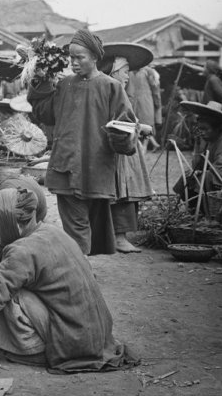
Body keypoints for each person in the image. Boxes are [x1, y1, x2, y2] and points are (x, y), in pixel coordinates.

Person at [0, 188, 137, 373]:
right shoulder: (50, 230)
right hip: (93, 333)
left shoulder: (21, 251)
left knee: (6, 294)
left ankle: (32, 350)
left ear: (10, 221)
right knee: (4, 286)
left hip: (74, 342)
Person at [28, 30, 133, 256]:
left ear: (95, 57)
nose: (74, 63)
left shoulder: (110, 86)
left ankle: (79, 263)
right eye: (71, 57)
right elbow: (44, 114)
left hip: (96, 167)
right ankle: (80, 266)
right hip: (65, 165)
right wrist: (39, 81)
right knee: (76, 224)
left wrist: (121, 137)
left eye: (80, 57)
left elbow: (127, 124)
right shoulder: (64, 85)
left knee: (93, 221)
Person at [100, 47, 155, 253]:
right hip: (119, 148)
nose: (127, 77)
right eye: (124, 72)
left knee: (122, 190)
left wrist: (138, 127)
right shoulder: (111, 90)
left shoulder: (113, 89)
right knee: (122, 191)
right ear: (114, 72)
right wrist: (141, 128)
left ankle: (116, 236)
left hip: (125, 146)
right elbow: (118, 122)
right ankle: (119, 237)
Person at [125, 63, 162, 152]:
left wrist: (157, 101)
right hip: (133, 100)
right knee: (135, 122)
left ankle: (145, 146)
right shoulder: (128, 71)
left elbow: (155, 87)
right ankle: (153, 144)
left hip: (146, 99)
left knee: (147, 122)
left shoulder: (148, 71)